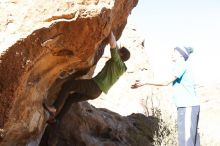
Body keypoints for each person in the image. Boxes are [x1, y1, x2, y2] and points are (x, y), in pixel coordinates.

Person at [43, 31, 130, 123]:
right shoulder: (121, 68)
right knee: (70, 99)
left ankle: (55, 107)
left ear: (121, 55)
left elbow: (113, 43)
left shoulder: (117, 61)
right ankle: (57, 120)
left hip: (94, 86)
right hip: (97, 93)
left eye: (119, 50)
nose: (117, 50)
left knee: (68, 85)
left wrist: (110, 29)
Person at [131, 46, 200, 146]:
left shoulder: (180, 65)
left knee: (186, 142)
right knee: (193, 141)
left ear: (181, 54)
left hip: (187, 106)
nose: (171, 54)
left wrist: (145, 82)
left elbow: (166, 82)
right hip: (189, 106)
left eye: (174, 52)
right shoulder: (183, 65)